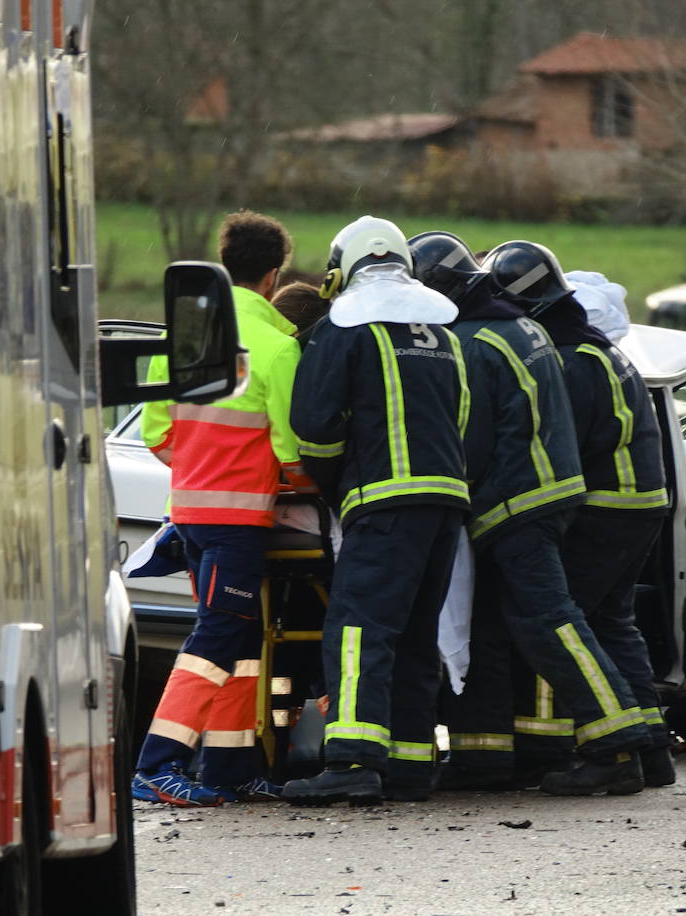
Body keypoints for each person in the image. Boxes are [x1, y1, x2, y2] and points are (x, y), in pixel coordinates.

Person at [410, 231, 652, 796]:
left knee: (549, 623)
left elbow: (469, 437)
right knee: (496, 627)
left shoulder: (473, 343)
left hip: (516, 501)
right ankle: (484, 757)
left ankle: (618, 745)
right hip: (544, 495)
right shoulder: (523, 328)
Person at [282, 216, 470, 805]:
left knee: (358, 626)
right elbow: (463, 415)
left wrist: (336, 485)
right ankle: (410, 764)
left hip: (383, 501)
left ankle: (352, 759)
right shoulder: (441, 333)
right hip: (446, 502)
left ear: (341, 270)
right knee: (414, 631)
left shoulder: (341, 328)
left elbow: (314, 429)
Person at [131, 210, 314, 807]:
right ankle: (157, 764)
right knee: (217, 635)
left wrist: (201, 468)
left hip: (189, 514)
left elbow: (157, 435)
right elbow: (292, 453)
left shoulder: (185, 339)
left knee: (241, 639)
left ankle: (229, 769)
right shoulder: (279, 348)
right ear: (273, 277)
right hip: (238, 522)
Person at [486, 240, 676, 789]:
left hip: (602, 507)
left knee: (554, 623)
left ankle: (580, 751)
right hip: (639, 506)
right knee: (612, 623)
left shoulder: (566, 362)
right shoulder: (597, 348)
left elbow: (558, 446)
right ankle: (652, 750)